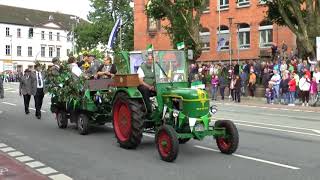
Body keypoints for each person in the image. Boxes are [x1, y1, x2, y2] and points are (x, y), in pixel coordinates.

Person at [137, 54, 156, 119]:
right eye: (148, 59)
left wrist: (154, 86)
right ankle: (148, 110)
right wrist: (149, 87)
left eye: (151, 59)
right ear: (146, 60)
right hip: (144, 85)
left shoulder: (156, 67)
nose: (150, 61)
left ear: (153, 60)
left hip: (154, 86)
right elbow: (141, 81)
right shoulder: (142, 67)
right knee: (145, 90)